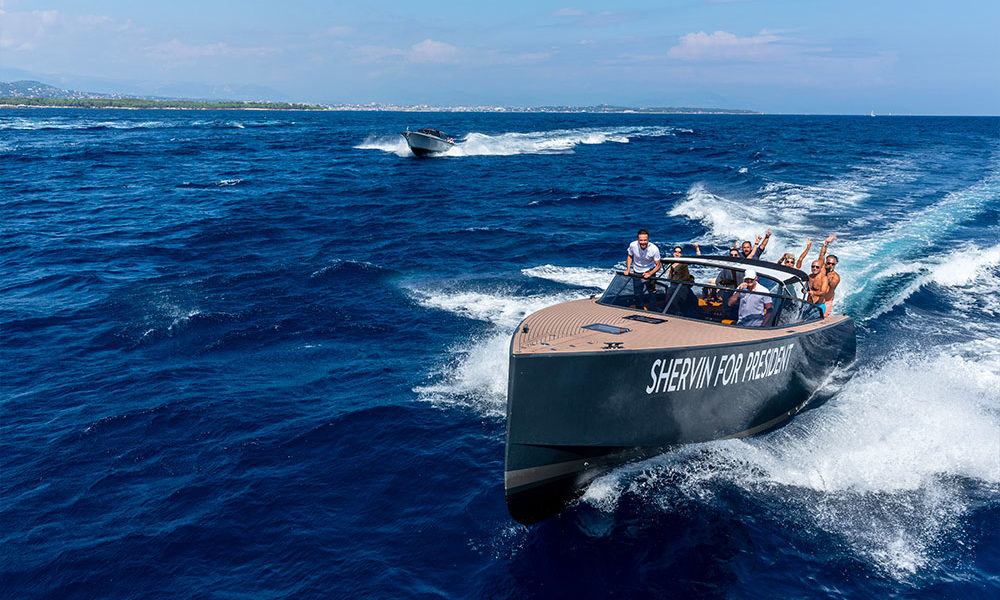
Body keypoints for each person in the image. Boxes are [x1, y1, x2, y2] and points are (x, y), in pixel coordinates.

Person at [624, 229, 661, 309]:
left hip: (649, 270)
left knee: (652, 292)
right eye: (641, 240)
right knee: (637, 293)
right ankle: (639, 309)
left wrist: (650, 273)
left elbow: (658, 266)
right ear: (638, 240)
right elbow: (629, 256)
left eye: (645, 240)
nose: (643, 242)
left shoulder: (654, 249)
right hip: (637, 271)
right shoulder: (633, 245)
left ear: (648, 239)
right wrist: (628, 269)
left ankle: (653, 309)